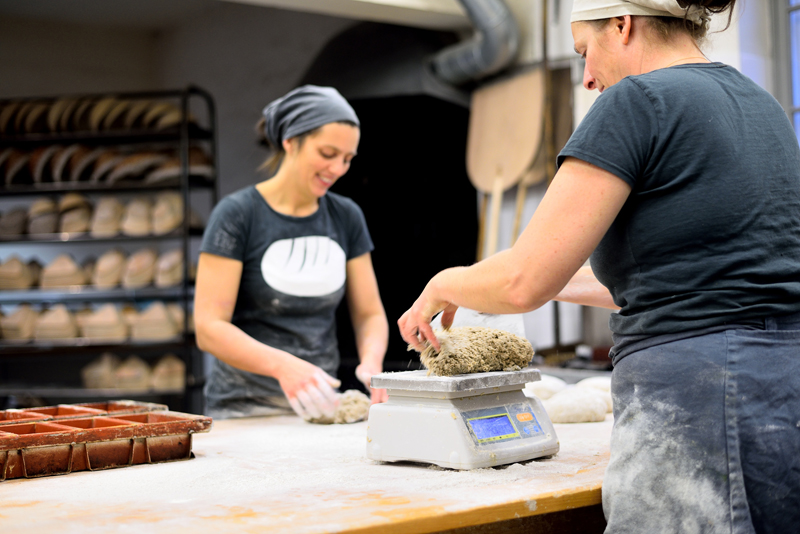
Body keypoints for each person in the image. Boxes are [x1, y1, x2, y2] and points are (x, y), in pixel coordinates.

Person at [399, 1, 800, 532]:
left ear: (621, 24)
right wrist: (553, 279)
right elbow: (679, 277)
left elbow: (523, 282)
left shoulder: (638, 101)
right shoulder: (760, 103)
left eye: (585, 52)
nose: (588, 78)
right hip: (784, 392)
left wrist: (446, 281)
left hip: (699, 396)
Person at [195, 85, 389, 421]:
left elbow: (369, 313)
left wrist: (372, 363)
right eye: (328, 154)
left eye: (347, 159)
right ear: (290, 142)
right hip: (243, 409)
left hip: (319, 407)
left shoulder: (346, 216)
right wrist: (283, 366)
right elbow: (209, 327)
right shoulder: (238, 214)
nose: (339, 169)